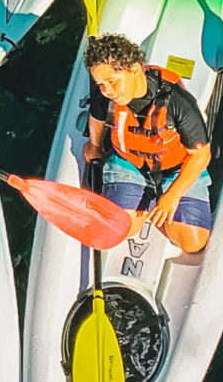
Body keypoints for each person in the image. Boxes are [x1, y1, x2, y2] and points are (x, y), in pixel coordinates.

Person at [84, 31, 214, 255]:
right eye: (101, 84)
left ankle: (152, 203)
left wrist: (172, 195)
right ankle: (141, 204)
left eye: (112, 82)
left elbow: (202, 155)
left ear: (134, 69)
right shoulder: (104, 94)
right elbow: (96, 117)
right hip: (129, 164)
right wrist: (95, 146)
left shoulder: (178, 103)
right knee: (119, 230)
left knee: (193, 243)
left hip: (175, 168)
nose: (107, 91)